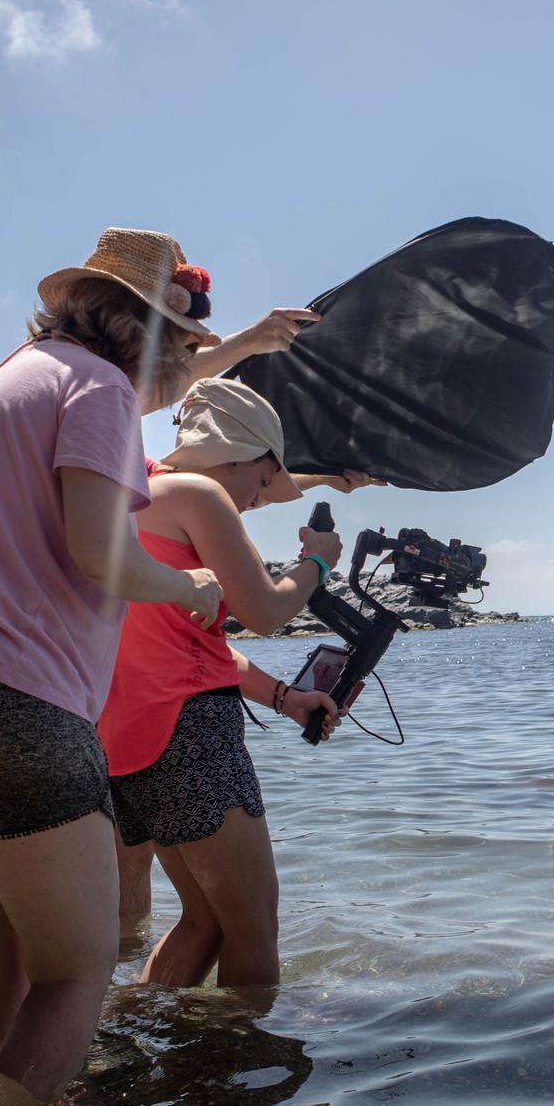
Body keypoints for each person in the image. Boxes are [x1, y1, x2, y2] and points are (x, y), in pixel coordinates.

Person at [0, 227, 227, 1106]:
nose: (184, 369)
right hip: (8, 704)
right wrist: (190, 585)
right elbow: (102, 554)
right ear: (142, 333)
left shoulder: (14, 378)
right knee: (75, 976)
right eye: (182, 347)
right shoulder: (98, 388)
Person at [98, 377, 348, 988]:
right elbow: (264, 612)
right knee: (255, 925)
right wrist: (318, 560)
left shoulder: (124, 505)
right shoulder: (198, 493)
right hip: (191, 734)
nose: (259, 499)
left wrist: (285, 700)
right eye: (264, 481)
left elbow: (189, 647)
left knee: (206, 920)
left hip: (127, 744)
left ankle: (134, 1030)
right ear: (243, 455)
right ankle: (243, 1069)